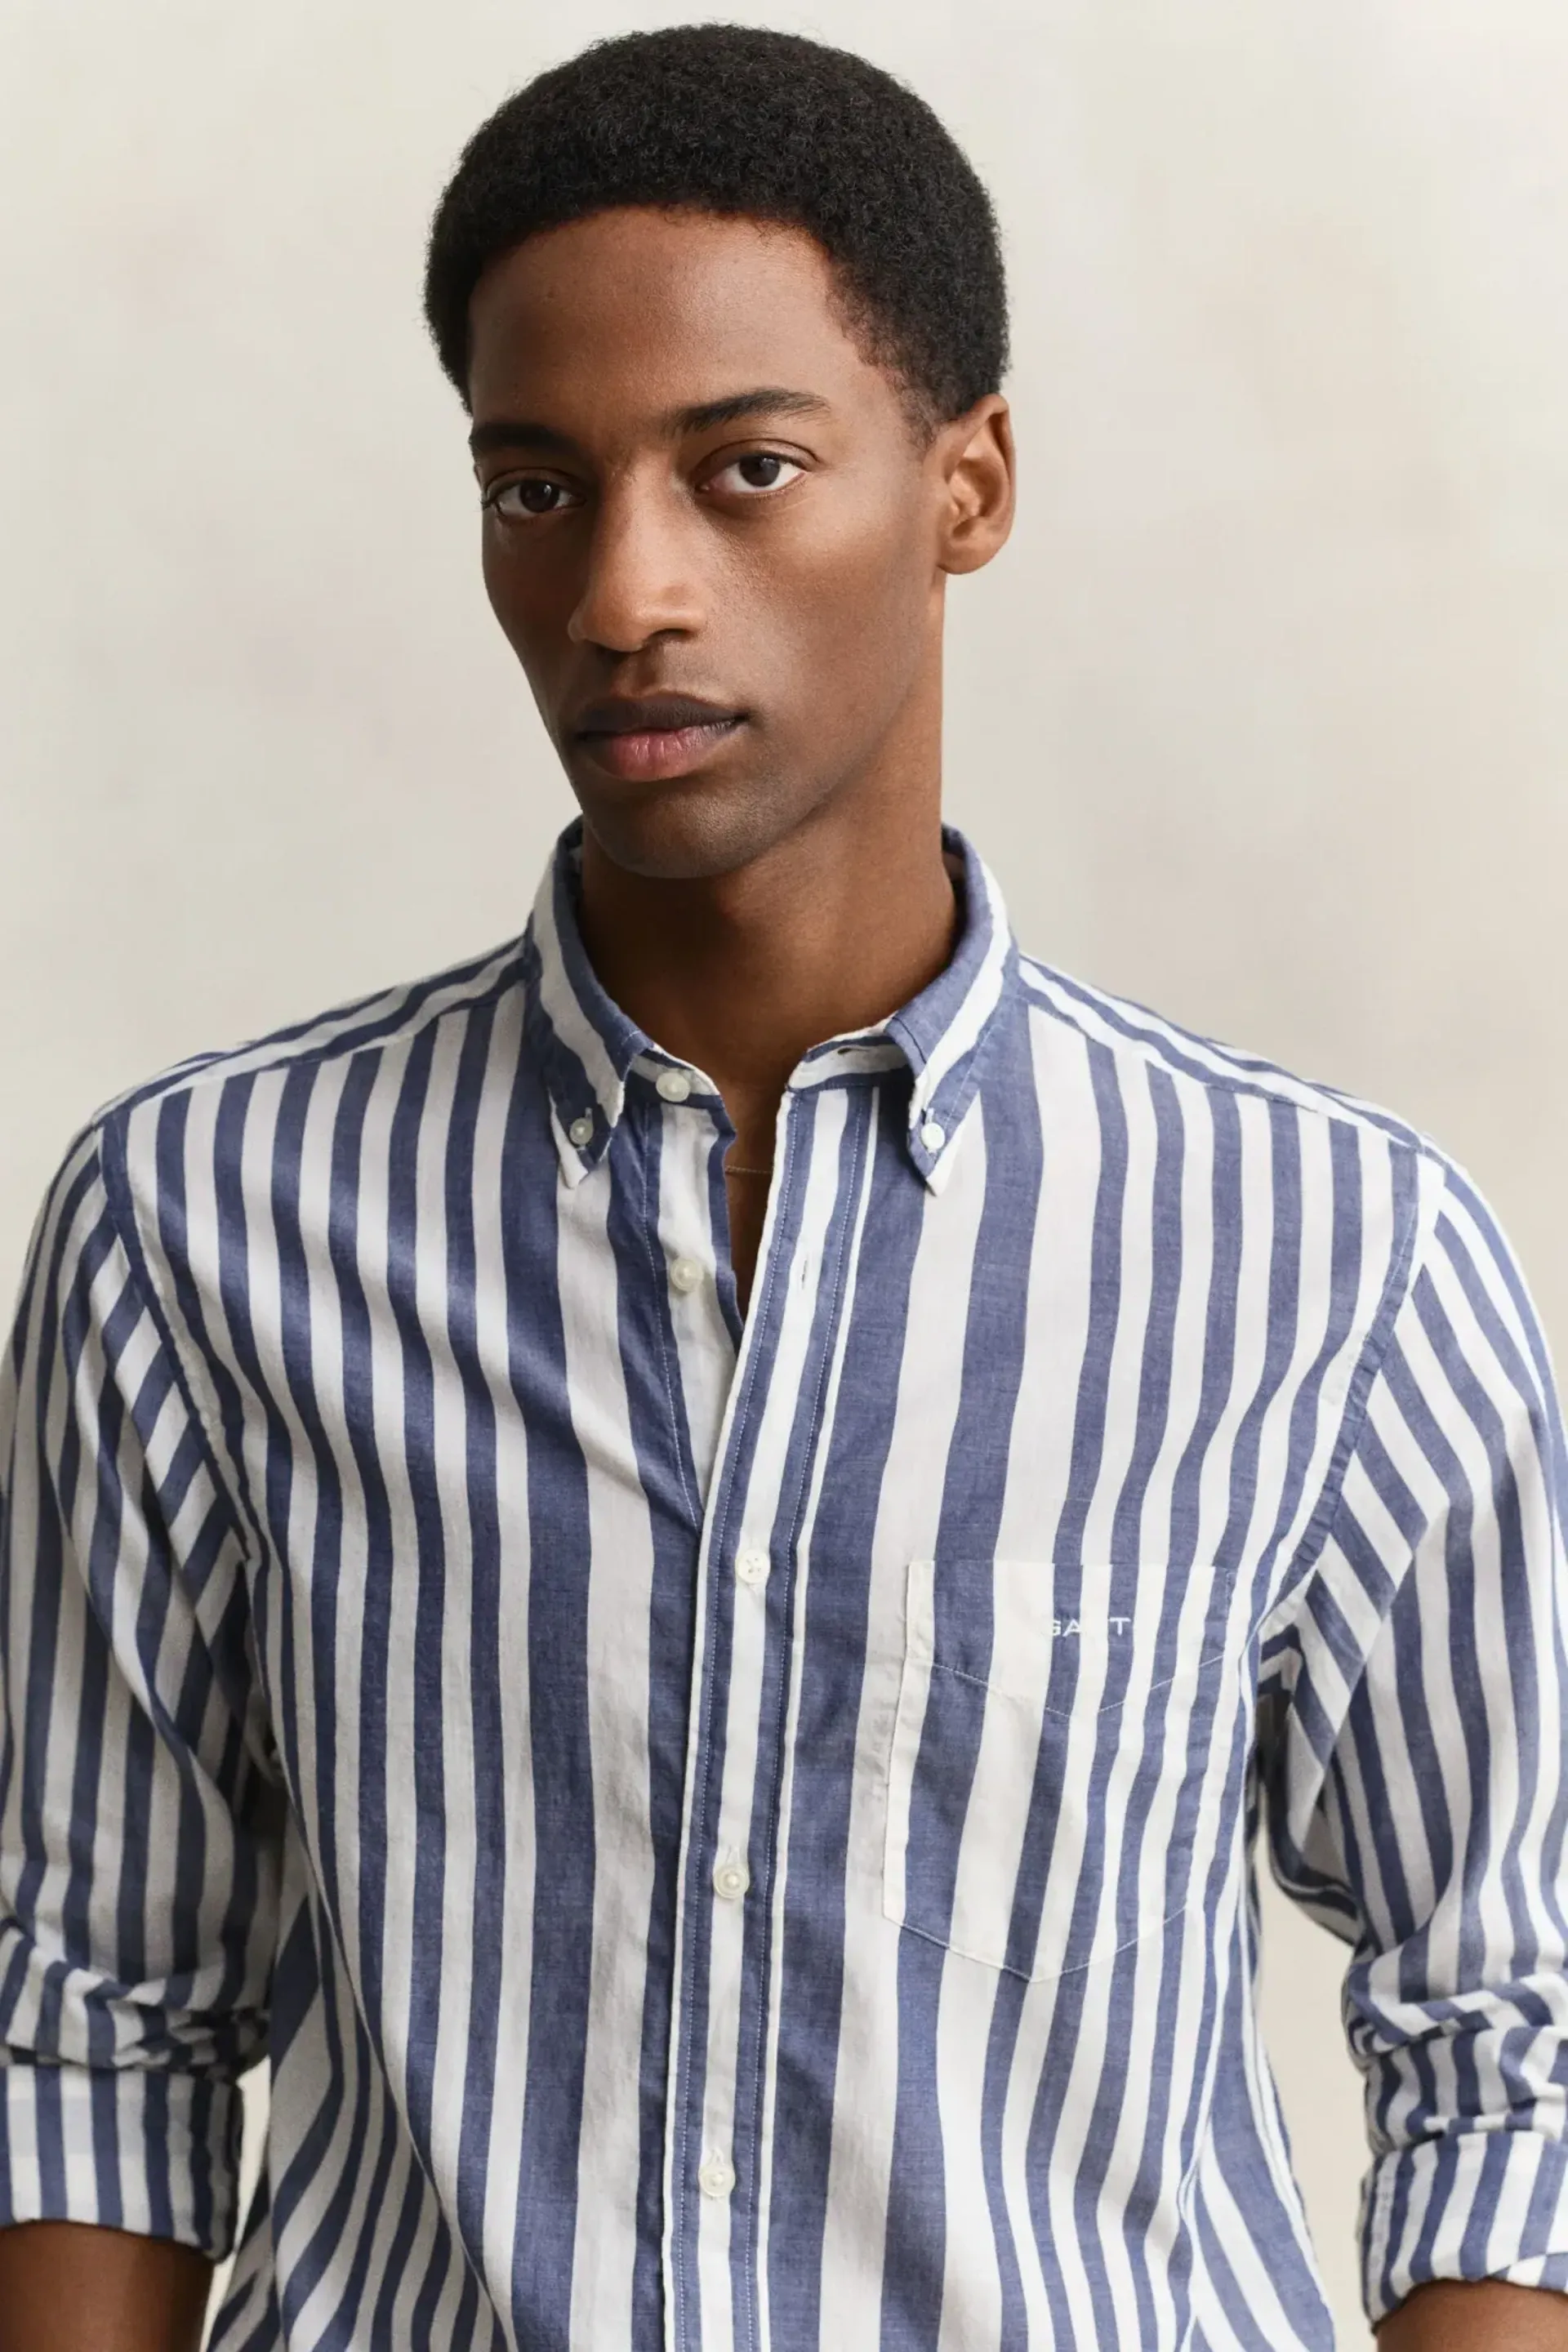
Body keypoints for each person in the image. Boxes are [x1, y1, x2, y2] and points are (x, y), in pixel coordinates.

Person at [1, 24, 1564, 2350]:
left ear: (968, 485)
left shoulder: (1328, 1255)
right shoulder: (204, 1223)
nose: (623, 590)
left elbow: (1506, 2037)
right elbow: (94, 2018)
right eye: (537, 487)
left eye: (743, 468)